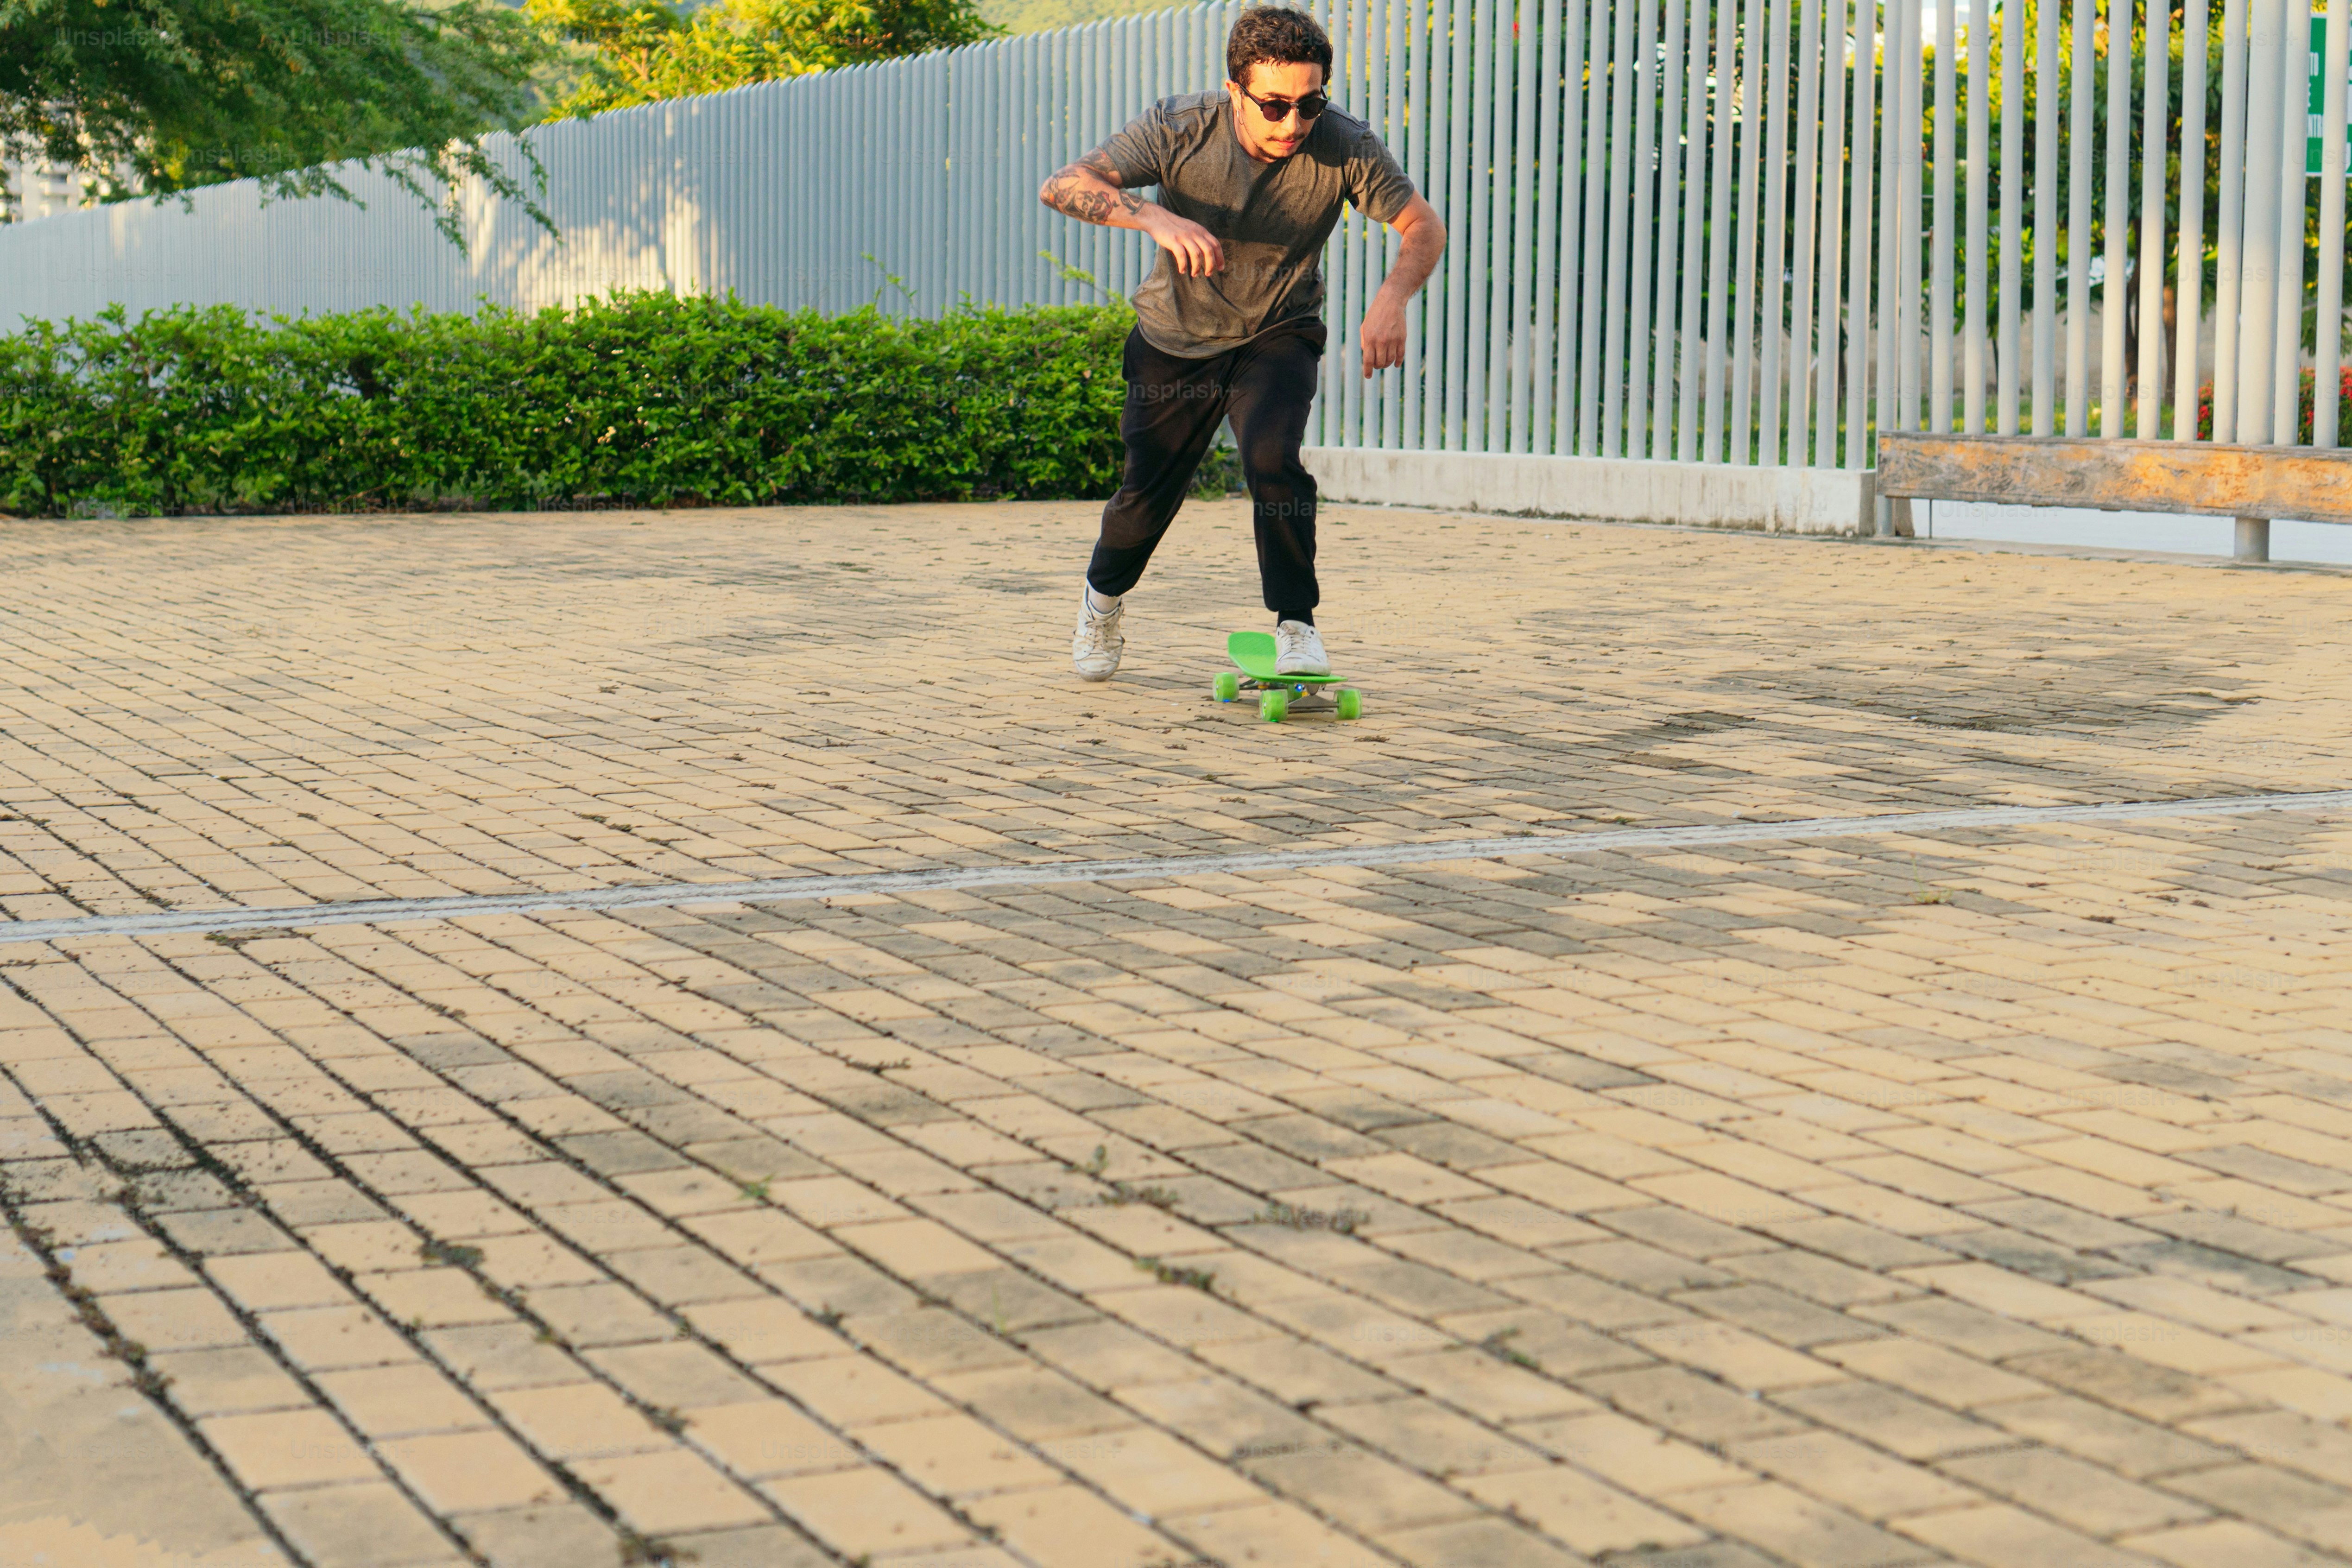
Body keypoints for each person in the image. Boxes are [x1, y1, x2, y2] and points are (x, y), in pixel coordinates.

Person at [1038, 4, 1445, 683]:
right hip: (1175, 338)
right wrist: (1154, 217)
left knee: (1272, 460)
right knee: (1146, 495)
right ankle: (1102, 603)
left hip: (1277, 331)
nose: (1294, 123)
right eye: (1275, 105)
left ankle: (1296, 627)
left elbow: (1421, 224)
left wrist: (1392, 298)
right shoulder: (1179, 128)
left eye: (1311, 102)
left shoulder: (1344, 143)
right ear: (1235, 90)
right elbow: (1063, 184)